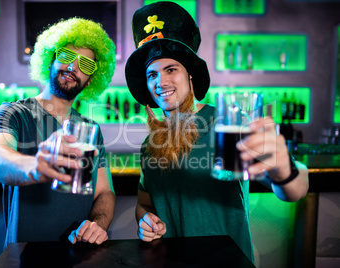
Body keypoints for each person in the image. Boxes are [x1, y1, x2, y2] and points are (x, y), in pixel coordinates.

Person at [125, 2, 309, 263]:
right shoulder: (150, 144)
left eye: (171, 69)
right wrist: (145, 218)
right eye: (151, 74)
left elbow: (295, 189)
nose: (161, 82)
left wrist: (284, 169)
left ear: (190, 75)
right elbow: (145, 202)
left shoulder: (227, 125)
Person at [0, 18, 116, 247]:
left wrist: (97, 224)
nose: (73, 67)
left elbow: (104, 192)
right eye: (66, 56)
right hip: (25, 254)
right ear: (50, 59)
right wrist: (36, 167)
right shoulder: (14, 113)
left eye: (85, 65)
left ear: (90, 80)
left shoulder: (91, 130)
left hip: (79, 252)